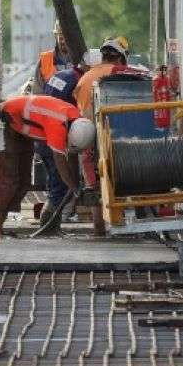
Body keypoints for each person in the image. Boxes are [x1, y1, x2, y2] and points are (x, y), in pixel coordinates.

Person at [0, 94, 95, 232]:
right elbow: (62, 165)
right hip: (5, 121)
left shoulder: (77, 122)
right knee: (8, 182)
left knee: (24, 182)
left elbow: (73, 156)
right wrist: (75, 189)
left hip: (21, 126)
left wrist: (76, 186)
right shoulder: (58, 125)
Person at [72, 37, 129, 234]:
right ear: (121, 58)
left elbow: (78, 103)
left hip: (88, 139)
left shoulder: (84, 78)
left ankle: (99, 230)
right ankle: (122, 226)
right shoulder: (121, 72)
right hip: (115, 138)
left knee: (93, 187)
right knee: (121, 181)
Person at [36, 60, 86, 229]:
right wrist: (73, 185)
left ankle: (52, 226)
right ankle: (47, 228)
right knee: (58, 187)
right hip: (52, 134)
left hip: (42, 131)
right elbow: (63, 155)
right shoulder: (79, 84)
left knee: (56, 184)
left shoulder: (60, 76)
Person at [34, 19, 75, 92]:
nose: (64, 41)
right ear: (55, 36)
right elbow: (38, 93)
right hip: (51, 102)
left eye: (67, 37)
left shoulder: (82, 61)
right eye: (61, 36)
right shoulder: (45, 61)